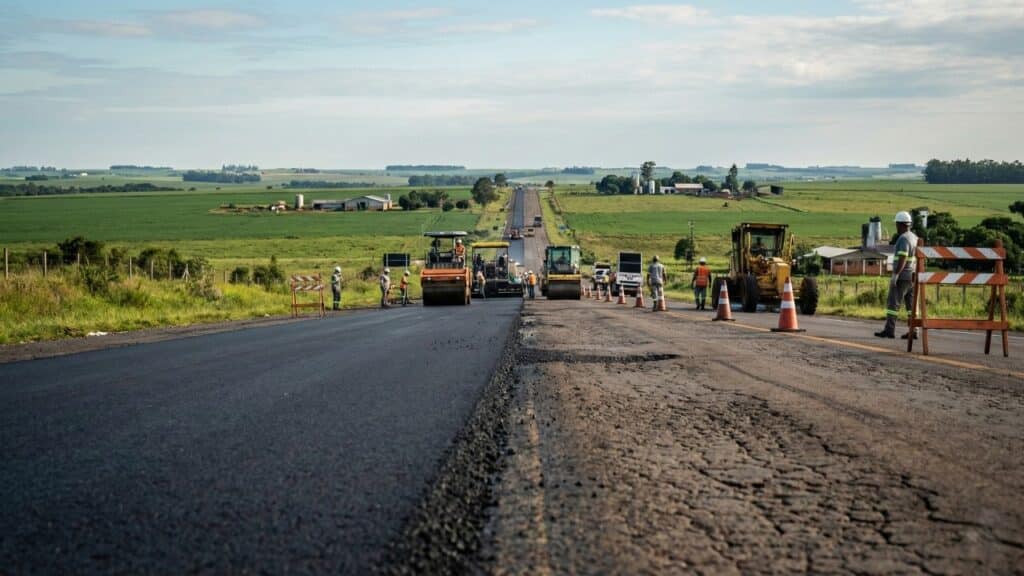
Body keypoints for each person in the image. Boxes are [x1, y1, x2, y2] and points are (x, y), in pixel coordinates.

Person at [875, 211, 918, 338]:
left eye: (897, 224)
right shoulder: (914, 237)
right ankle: (914, 331)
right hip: (912, 276)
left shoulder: (903, 238)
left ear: (901, 224)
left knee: (893, 303)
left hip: (903, 276)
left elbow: (902, 258)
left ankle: (889, 330)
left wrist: (895, 274)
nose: (896, 227)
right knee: (911, 306)